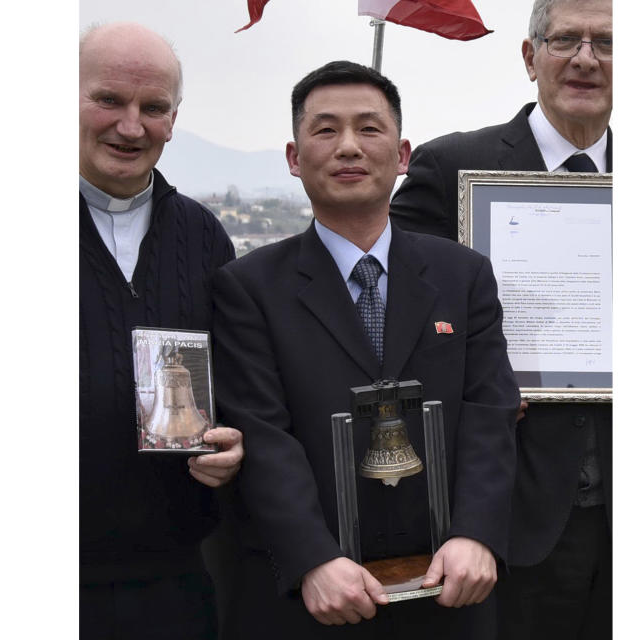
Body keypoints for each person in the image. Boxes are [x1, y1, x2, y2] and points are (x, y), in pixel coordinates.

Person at [210, 61, 521, 640]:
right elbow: (264, 434)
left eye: (369, 129)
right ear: (293, 157)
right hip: (313, 597)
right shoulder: (249, 287)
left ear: (402, 155)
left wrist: (476, 534)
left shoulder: (464, 275)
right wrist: (311, 558)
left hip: (448, 586)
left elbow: (489, 412)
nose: (348, 147)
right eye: (325, 130)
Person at [390, 1, 612, 638]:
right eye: (566, 39)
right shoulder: (453, 167)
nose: (586, 59)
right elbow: (385, 305)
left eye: (606, 43)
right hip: (503, 520)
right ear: (529, 56)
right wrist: (470, 374)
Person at [79, 22, 243, 640]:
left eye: (153, 108)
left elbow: (235, 379)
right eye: (108, 100)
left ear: (175, 119)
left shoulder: (204, 236)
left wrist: (232, 443)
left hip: (173, 578)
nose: (130, 126)